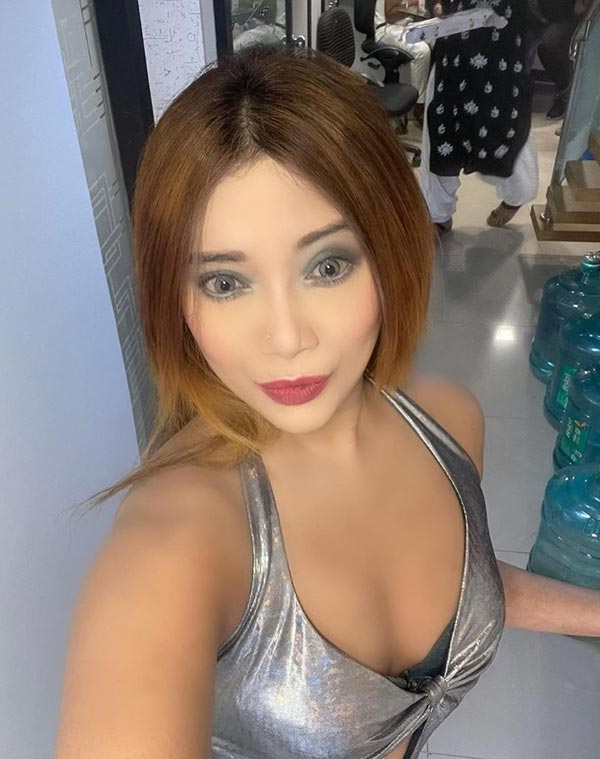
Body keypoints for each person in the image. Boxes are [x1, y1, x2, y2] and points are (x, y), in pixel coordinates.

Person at [52, 47, 600, 759]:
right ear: (175, 301)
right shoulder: (172, 549)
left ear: (390, 254)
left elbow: (465, 585)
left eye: (328, 265)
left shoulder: (448, 419)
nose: (286, 338)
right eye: (225, 282)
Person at [420, 0, 539, 230]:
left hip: (502, 55)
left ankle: (517, 195)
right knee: (441, 135)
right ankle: (438, 214)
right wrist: (436, 5)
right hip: (453, 55)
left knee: (507, 130)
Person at [374, 0, 432, 126]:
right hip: (386, 27)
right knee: (421, 50)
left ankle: (436, 100)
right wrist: (414, 4)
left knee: (440, 40)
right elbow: (390, 13)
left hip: (409, 26)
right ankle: (419, 104)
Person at [537, 0, 594, 120]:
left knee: (552, 45)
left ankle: (568, 96)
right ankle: (566, 93)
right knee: (547, 47)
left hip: (588, 10)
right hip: (560, 9)